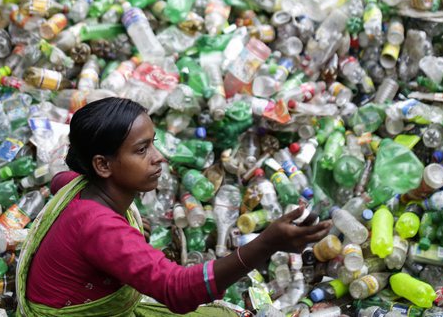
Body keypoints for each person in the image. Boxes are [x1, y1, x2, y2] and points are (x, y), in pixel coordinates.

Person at [17, 97, 332, 316]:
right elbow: (177, 290)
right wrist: (266, 244)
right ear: (102, 165)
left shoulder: (77, 185)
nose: (159, 157)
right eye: (142, 150)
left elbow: (60, 179)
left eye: (153, 143)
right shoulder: (101, 228)